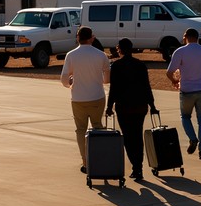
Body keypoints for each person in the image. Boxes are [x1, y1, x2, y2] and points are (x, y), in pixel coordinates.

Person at [165, 28, 201, 161]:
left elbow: (169, 71)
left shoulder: (180, 52)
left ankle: (193, 139)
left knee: (185, 117)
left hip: (186, 90)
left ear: (185, 37)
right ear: (198, 37)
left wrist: (174, 81)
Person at [60, 26, 111, 173]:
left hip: (78, 98)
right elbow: (106, 79)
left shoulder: (71, 55)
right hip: (97, 97)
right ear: (92, 38)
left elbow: (64, 78)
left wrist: (69, 84)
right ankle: (99, 158)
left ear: (78, 38)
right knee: (97, 126)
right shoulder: (101, 55)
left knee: (81, 130)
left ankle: (86, 161)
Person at [106, 38, 157, 180]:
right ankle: (138, 167)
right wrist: (152, 106)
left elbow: (113, 89)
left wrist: (109, 107)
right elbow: (147, 87)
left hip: (124, 108)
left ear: (119, 49)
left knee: (128, 138)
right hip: (140, 107)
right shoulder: (140, 65)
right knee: (137, 135)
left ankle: (136, 166)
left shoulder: (116, 66)